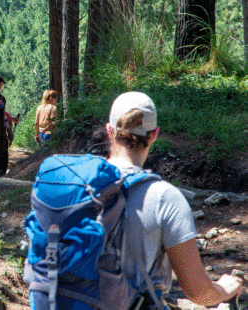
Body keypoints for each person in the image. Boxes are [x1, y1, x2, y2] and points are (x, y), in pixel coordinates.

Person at [104, 91, 242, 307]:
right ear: (154, 134)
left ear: (109, 130)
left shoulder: (73, 187)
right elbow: (198, 293)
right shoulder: (165, 198)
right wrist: (224, 288)